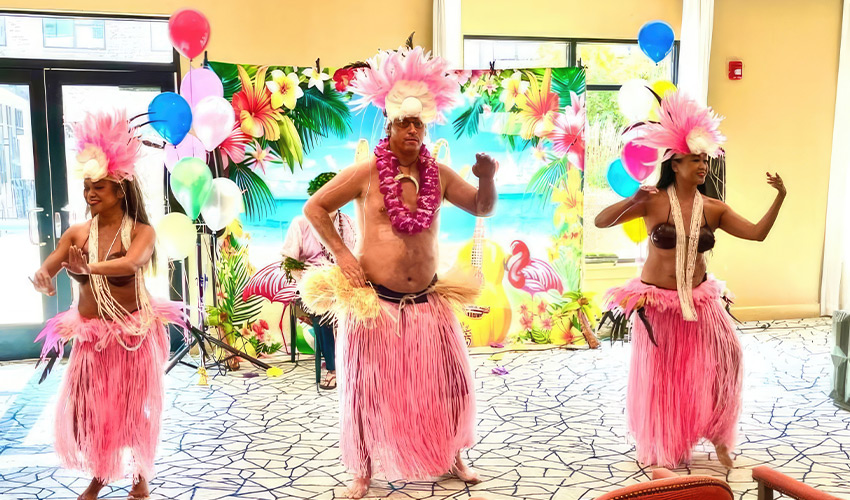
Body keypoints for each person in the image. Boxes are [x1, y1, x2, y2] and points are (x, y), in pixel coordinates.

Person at [299, 46, 497, 498]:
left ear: (427, 125)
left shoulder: (440, 174)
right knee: (367, 393)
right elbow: (315, 208)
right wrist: (343, 255)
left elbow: (482, 207)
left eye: (418, 122)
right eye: (404, 122)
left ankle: (453, 454)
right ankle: (363, 468)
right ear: (389, 124)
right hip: (375, 304)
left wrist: (487, 178)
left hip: (430, 301)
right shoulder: (367, 173)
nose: (412, 129)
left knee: (452, 383)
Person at [595, 90, 786, 469]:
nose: (703, 166)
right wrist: (632, 200)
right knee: (665, 377)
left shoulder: (714, 208)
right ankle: (665, 446)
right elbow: (602, 221)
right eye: (696, 160)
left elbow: (757, 233)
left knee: (726, 361)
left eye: (705, 160)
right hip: (658, 303)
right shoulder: (651, 200)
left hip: (701, 299)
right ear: (676, 162)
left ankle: (718, 435)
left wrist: (780, 197)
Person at [31, 109, 185, 500]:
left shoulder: (143, 231)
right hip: (91, 337)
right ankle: (104, 470)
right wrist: (43, 278)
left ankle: (129, 478)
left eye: (98, 187)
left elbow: (132, 262)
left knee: (130, 410)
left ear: (120, 188)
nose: (90, 194)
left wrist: (89, 267)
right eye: (86, 188)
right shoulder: (76, 233)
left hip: (131, 332)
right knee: (85, 412)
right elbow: (49, 268)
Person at [281, 171, 357, 390]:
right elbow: (288, 260)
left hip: (340, 284)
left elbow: (354, 255)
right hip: (312, 287)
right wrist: (311, 281)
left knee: (364, 307)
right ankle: (333, 370)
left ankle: (355, 365)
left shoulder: (348, 222)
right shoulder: (301, 223)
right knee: (324, 310)